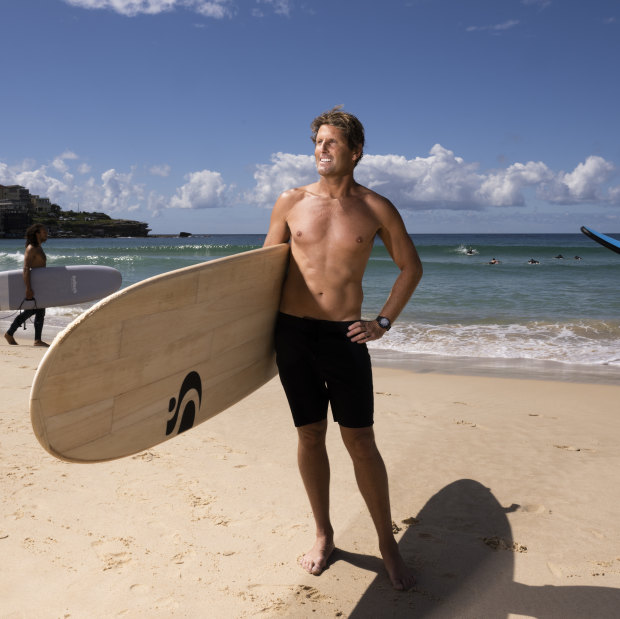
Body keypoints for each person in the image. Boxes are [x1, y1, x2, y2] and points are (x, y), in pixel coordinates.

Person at [263, 107, 423, 591]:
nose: (321, 150)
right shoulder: (290, 202)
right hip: (292, 334)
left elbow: (410, 268)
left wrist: (382, 322)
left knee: (360, 441)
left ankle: (387, 544)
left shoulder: (376, 208)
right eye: (317, 142)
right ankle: (323, 534)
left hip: (345, 336)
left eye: (332, 143)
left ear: (356, 151)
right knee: (310, 435)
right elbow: (259, 273)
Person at [4, 223, 49, 347]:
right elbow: (26, 269)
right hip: (33, 285)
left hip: (39, 285)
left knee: (40, 311)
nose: (46, 234)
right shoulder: (32, 248)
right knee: (32, 311)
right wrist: (28, 288)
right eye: (44, 232)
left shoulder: (38, 247)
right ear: (37, 233)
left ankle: (37, 340)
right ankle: (10, 333)